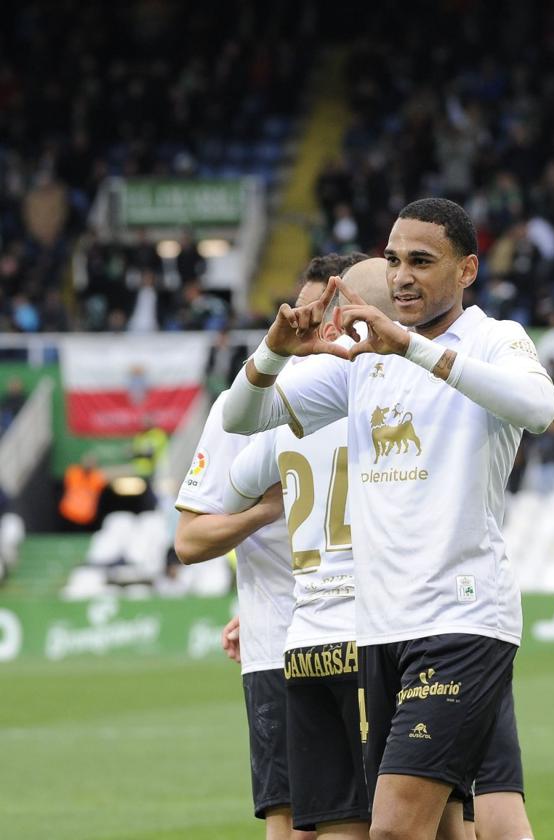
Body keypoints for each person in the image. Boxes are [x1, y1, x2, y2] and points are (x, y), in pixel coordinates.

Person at [222, 197, 554, 840]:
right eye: (395, 259)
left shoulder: (494, 338)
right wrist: (274, 351)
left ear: (467, 270)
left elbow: (539, 407)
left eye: (422, 261)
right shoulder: (365, 361)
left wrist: (410, 347)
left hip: (460, 619)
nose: (403, 275)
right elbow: (243, 419)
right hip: (378, 632)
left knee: (394, 829)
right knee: (443, 830)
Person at [174, 253, 360, 840]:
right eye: (307, 315)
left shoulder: (371, 388)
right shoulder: (245, 404)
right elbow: (190, 537)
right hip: (277, 647)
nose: (318, 329)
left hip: (372, 635)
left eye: (329, 315)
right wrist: (262, 513)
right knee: (295, 827)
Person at [222, 258, 394, 839]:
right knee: (435, 816)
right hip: (379, 632)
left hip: (306, 638)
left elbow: (236, 476)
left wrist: (273, 505)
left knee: (330, 824)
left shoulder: (293, 405)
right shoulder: (391, 386)